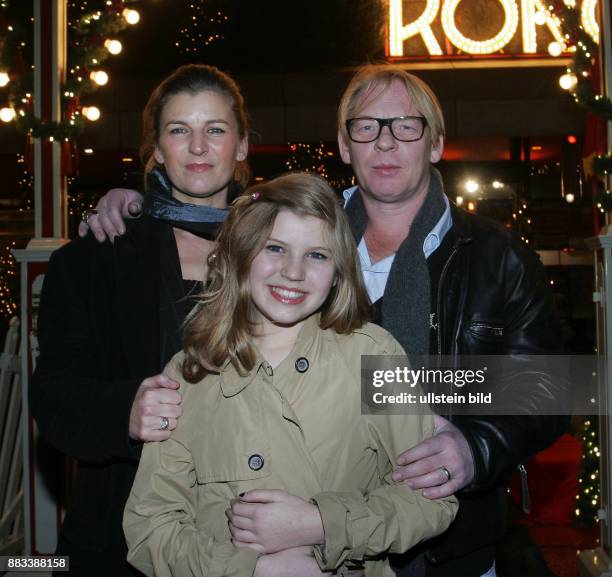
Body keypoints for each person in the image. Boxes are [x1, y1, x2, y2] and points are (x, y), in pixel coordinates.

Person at [82, 64, 567, 577]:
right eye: (366, 126)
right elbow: (218, 223)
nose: (384, 143)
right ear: (343, 143)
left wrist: (474, 446)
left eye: (406, 125)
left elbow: (551, 389)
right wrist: (139, 204)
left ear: (435, 143)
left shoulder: (498, 255)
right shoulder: (308, 227)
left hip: (451, 537)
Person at [122, 172, 458, 577]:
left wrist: (320, 524)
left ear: (338, 271)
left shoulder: (373, 355)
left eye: (317, 255)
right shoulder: (191, 373)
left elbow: (430, 501)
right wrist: (251, 569)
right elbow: (150, 524)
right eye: (275, 248)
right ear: (241, 255)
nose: (293, 272)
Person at [29, 63, 249, 577]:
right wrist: (123, 410)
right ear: (156, 148)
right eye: (180, 130)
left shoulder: (281, 253)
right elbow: (54, 394)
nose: (198, 147)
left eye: (215, 129)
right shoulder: (93, 261)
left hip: (253, 533)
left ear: (240, 145)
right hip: (125, 537)